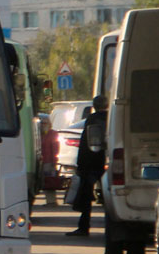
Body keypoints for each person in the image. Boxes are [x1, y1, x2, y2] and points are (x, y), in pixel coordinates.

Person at [66, 95, 108, 236]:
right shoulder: (112, 118)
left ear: (94, 106)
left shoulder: (92, 119)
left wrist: (80, 165)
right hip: (108, 161)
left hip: (91, 163)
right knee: (110, 196)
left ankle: (84, 227)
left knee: (86, 196)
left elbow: (85, 143)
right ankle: (111, 227)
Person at [40, 116, 60, 206]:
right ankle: (50, 201)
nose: (43, 125)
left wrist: (54, 161)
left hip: (49, 161)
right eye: (42, 123)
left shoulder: (53, 133)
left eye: (45, 123)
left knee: (50, 181)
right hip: (41, 161)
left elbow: (55, 148)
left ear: (49, 124)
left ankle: (52, 201)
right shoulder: (40, 134)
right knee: (45, 181)